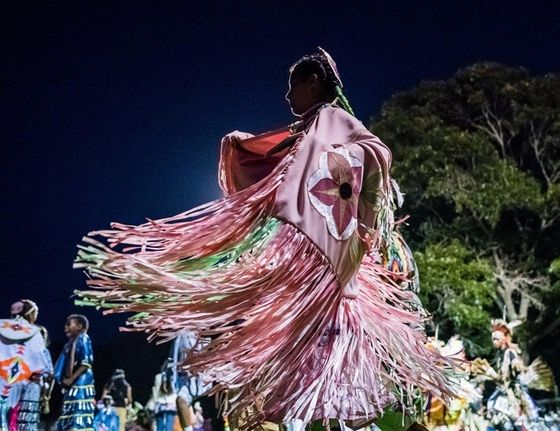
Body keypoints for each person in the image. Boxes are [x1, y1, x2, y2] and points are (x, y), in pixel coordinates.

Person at [73, 48, 455, 429]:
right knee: (317, 371)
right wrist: (245, 148)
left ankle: (396, 423)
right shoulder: (306, 130)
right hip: (307, 268)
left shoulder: (334, 120)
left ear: (314, 82)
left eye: (294, 87)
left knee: (327, 364)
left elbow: (375, 152)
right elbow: (281, 172)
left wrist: (329, 161)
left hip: (323, 263)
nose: (288, 97)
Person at [10, 300, 53, 431]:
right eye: (36, 313)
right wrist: (46, 395)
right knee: (25, 422)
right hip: (30, 384)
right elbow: (47, 369)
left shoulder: (7, 331)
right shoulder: (35, 332)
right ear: (30, 314)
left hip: (9, 383)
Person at [54, 314, 95, 431]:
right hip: (71, 382)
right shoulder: (71, 342)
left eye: (69, 324)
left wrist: (71, 379)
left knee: (79, 411)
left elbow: (86, 362)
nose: (65, 328)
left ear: (80, 326)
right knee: (70, 410)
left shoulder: (83, 337)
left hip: (81, 381)